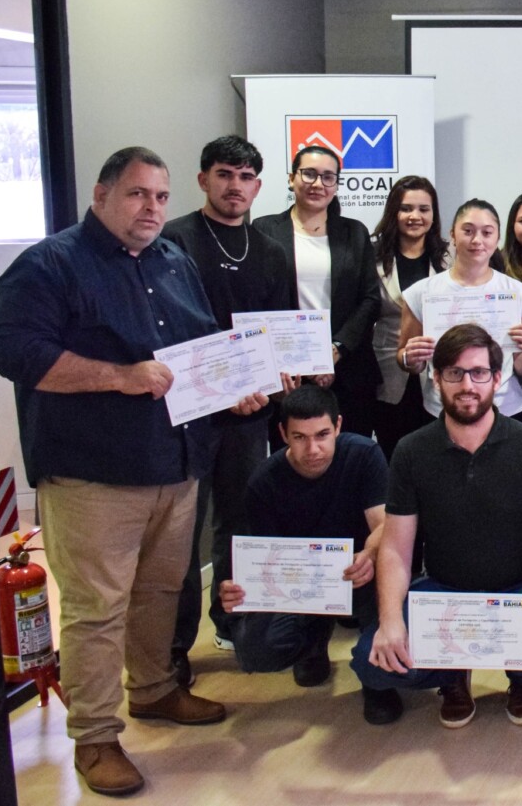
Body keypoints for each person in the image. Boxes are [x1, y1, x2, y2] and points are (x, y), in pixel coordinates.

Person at [0, 147, 267, 797]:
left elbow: (197, 350)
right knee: (95, 609)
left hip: (174, 462)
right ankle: (94, 737)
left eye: (161, 197)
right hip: (93, 473)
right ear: (102, 194)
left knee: (159, 592)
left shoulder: (173, 260)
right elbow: (15, 352)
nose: (152, 208)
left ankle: (153, 689)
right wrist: (120, 376)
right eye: (138, 194)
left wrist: (232, 389)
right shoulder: (49, 264)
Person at [352, 324, 522, 728]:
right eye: (455, 373)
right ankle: (452, 675)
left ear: (497, 378)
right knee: (372, 662)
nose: (467, 385)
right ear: (436, 379)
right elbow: (396, 547)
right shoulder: (411, 450)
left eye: (478, 372)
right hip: (443, 591)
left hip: (517, 591)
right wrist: (391, 619)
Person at [161, 135, 293, 681]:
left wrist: (277, 381)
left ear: (257, 187)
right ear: (203, 180)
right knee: (179, 532)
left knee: (239, 522)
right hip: (184, 415)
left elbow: (278, 333)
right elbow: (165, 329)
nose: (234, 186)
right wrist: (221, 389)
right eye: (224, 174)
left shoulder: (270, 251)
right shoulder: (173, 241)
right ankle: (173, 647)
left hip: (250, 413)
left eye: (245, 177)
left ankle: (232, 621)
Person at [217, 385, 385, 687]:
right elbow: (260, 561)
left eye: (322, 435)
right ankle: (312, 642)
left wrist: (370, 554)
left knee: (389, 570)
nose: (313, 449)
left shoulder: (364, 454)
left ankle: (376, 676)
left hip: (358, 573)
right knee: (255, 651)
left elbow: (383, 525)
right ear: (283, 434)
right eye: (300, 437)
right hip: (299, 584)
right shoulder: (263, 483)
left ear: (338, 426)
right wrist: (239, 589)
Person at [253, 145, 384, 438]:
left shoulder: (355, 232)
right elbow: (260, 301)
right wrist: (293, 362)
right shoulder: (264, 229)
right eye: (309, 174)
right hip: (289, 376)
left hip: (348, 369)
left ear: (336, 185)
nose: (317, 183)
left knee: (351, 454)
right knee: (294, 457)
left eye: (327, 177)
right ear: (291, 178)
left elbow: (370, 300)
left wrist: (335, 350)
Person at [395, 199, 522, 425]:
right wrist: (411, 358)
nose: (477, 240)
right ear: (453, 235)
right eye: (468, 231)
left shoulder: (519, 294)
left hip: (505, 409)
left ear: (497, 238)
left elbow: (521, 367)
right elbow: (406, 359)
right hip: (442, 409)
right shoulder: (421, 293)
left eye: (487, 233)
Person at [371, 176, 448, 458]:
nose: (415, 216)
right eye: (406, 209)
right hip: (389, 371)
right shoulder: (373, 255)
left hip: (439, 369)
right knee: (393, 452)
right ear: (394, 212)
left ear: (433, 214)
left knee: (435, 455)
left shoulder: (450, 256)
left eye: (424, 209)